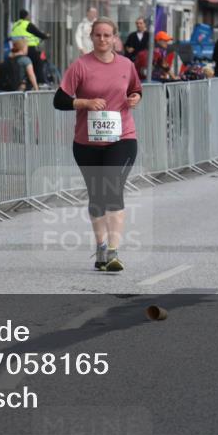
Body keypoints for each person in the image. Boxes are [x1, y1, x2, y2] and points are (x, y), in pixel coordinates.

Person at [53, 17, 142, 273]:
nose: (102, 39)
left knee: (112, 189)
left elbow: (136, 89)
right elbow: (59, 100)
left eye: (107, 35)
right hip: (87, 142)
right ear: (91, 37)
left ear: (115, 38)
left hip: (122, 138)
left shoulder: (126, 65)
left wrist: (135, 98)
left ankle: (113, 251)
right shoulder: (80, 66)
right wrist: (85, 103)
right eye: (98, 35)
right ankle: (101, 247)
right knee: (97, 195)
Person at [9, 9, 49, 85]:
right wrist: (46, 36)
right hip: (27, 47)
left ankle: (27, 79)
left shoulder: (15, 24)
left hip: (16, 48)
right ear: (26, 16)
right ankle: (41, 82)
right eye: (29, 16)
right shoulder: (27, 24)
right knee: (39, 61)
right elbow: (38, 33)